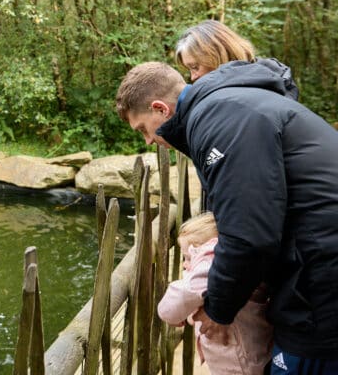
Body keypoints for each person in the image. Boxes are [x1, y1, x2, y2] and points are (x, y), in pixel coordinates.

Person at [116, 61, 338, 374]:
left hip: (319, 293)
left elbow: (249, 236)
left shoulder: (219, 119)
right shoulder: (229, 106)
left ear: (160, 109)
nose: (149, 141)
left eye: (143, 129)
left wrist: (217, 310)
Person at [158, 212, 272, 374]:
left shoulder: (210, 264)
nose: (184, 264)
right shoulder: (233, 264)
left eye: (188, 257)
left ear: (202, 251)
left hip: (238, 360)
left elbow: (184, 294)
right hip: (249, 352)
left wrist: (169, 314)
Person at [175, 20, 299, 100]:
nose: (193, 77)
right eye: (189, 69)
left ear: (217, 56)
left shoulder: (252, 96)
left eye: (195, 67)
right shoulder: (265, 81)